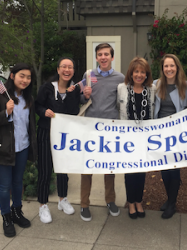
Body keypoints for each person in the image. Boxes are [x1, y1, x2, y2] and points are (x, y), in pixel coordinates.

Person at [35, 57, 91, 224]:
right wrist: (44, 111)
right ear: (58, 70)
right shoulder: (47, 88)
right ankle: (43, 205)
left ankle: (62, 199)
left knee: (62, 169)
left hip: (64, 136)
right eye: (64, 67)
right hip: (46, 133)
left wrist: (84, 97)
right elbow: (37, 106)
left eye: (70, 67)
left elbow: (75, 112)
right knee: (45, 170)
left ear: (73, 71)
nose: (67, 70)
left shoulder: (74, 90)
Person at [80, 43, 125, 222]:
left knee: (109, 168)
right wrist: (85, 94)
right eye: (100, 54)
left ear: (112, 57)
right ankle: (84, 204)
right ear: (97, 57)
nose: (103, 57)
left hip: (111, 128)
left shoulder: (120, 78)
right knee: (87, 167)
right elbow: (81, 98)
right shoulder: (88, 75)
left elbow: (123, 101)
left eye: (107, 54)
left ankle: (110, 201)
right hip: (90, 127)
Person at [0, 63, 37, 237]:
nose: (25, 80)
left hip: (22, 147)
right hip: (3, 149)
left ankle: (17, 211)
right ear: (12, 76)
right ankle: (6, 217)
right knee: (4, 186)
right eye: (22, 76)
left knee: (18, 183)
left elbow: (30, 124)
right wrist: (5, 112)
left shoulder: (28, 98)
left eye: (28, 77)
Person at [117, 57, 156, 219]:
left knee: (141, 171)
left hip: (145, 137)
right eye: (136, 71)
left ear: (147, 74)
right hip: (127, 137)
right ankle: (131, 202)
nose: (139, 75)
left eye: (142, 72)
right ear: (131, 73)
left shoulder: (152, 89)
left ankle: (139, 200)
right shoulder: (121, 88)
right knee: (129, 171)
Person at [154, 54, 187, 219]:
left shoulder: (185, 86)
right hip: (160, 134)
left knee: (174, 169)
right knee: (164, 168)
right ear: (162, 69)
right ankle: (169, 199)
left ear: (177, 67)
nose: (169, 69)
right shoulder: (156, 85)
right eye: (166, 66)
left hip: (177, 134)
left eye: (172, 66)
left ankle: (172, 203)